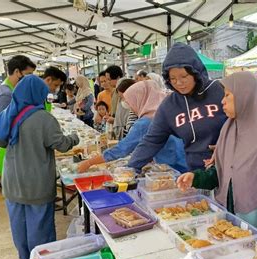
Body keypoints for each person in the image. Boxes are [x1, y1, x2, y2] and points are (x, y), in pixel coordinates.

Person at [177, 72, 257, 238]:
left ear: (246, 96)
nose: (222, 101)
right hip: (233, 226)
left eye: (228, 95)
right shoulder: (230, 130)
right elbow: (222, 174)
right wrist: (196, 178)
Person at [0, 75, 79, 259]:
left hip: (12, 178)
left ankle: (24, 256)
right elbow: (61, 144)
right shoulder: (43, 118)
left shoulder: (9, 113)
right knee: (39, 222)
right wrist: (74, 137)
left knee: (18, 220)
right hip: (36, 180)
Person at [128, 43, 227, 171]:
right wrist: (130, 169)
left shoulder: (220, 90)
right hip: (195, 174)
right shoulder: (169, 106)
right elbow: (152, 140)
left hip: (227, 168)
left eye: (184, 77)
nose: (179, 83)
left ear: (195, 73)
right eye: (173, 78)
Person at [78, 80, 188, 173]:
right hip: (187, 162)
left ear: (140, 99)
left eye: (130, 102)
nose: (130, 106)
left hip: (174, 167)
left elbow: (122, 149)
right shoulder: (168, 110)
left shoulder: (146, 121)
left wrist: (89, 162)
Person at [105, 65, 127, 139]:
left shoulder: (125, 92)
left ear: (118, 78)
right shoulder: (114, 91)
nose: (107, 82)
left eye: (109, 79)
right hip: (116, 129)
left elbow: (126, 116)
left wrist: (115, 120)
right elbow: (115, 110)